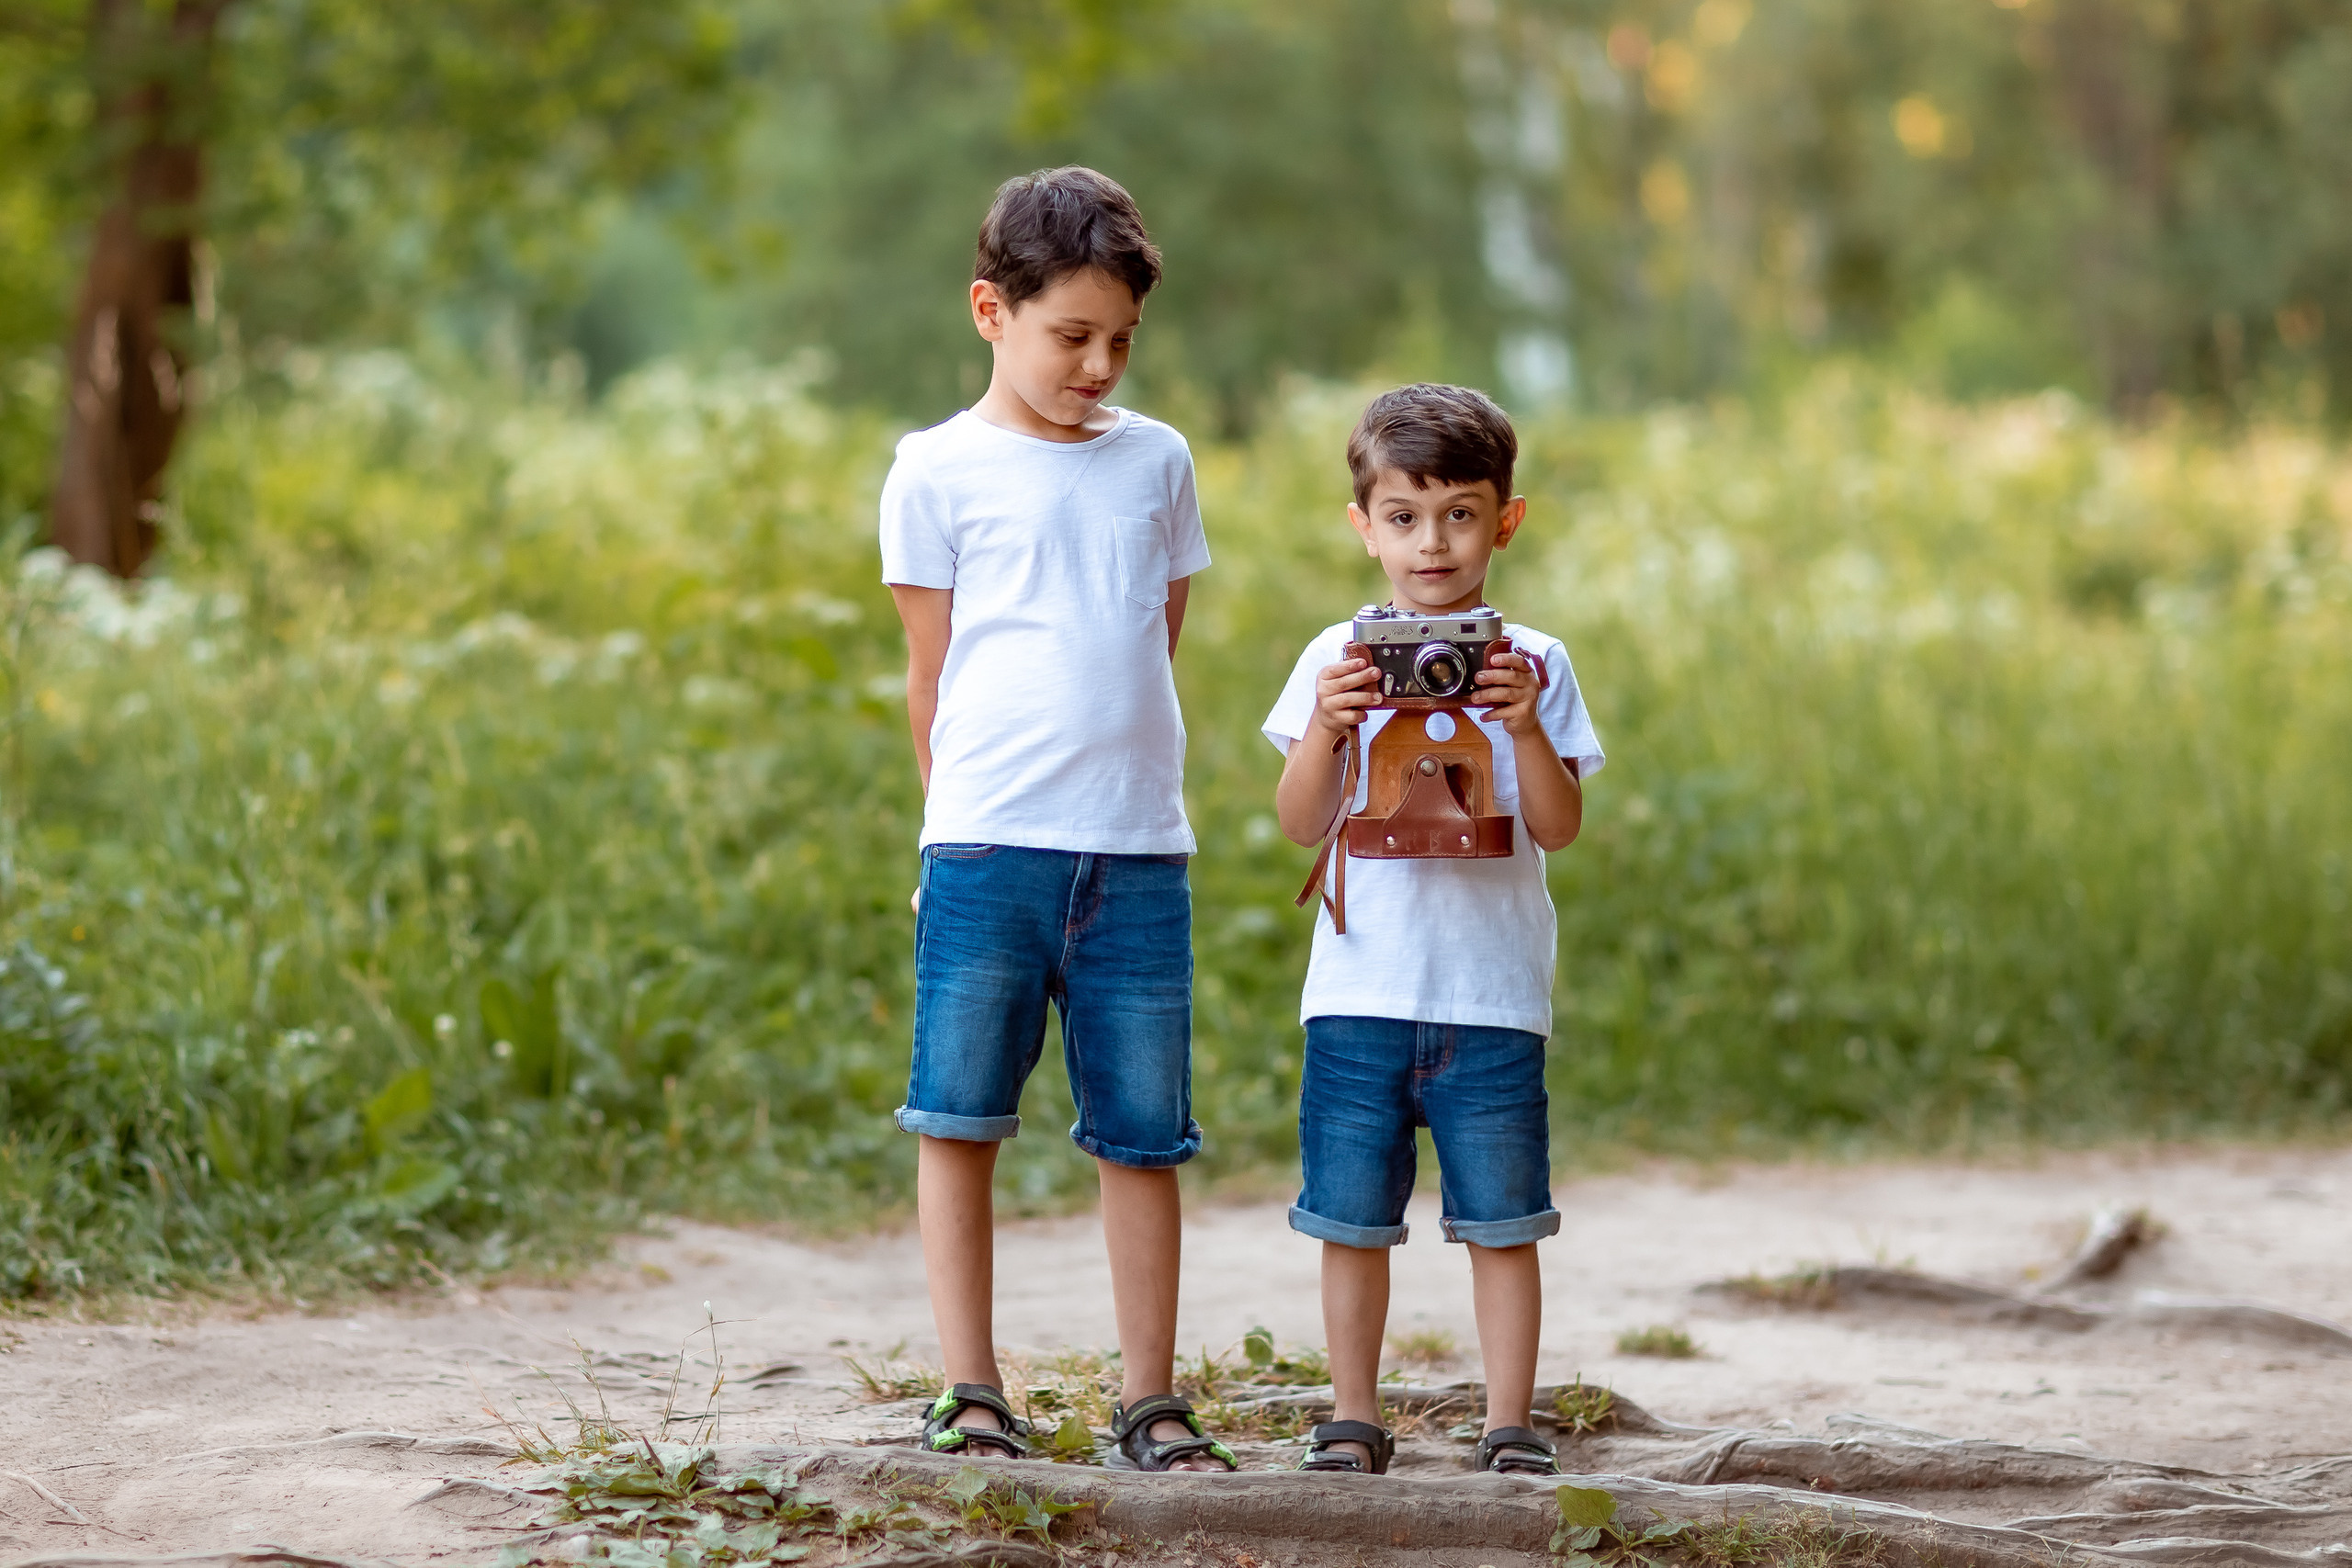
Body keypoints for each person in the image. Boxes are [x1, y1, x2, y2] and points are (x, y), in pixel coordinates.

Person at [878, 166, 1235, 1473]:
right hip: (986, 847)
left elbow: (1155, 640)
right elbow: (936, 672)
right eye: (1069, 335)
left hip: (1137, 850)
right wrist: (945, 838)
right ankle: (971, 1384)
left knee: (1144, 1131)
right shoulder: (935, 471)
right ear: (991, 310)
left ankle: (1153, 1396)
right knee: (958, 1115)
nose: (1099, 363)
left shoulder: (1158, 462)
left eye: (1121, 341)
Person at [1261, 383, 1605, 1477]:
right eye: (1403, 516)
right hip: (1361, 990)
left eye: (1460, 512)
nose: (1433, 542)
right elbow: (1297, 823)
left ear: (1505, 520)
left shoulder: (1535, 659)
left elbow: (1558, 826)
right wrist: (1328, 722)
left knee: (1504, 1222)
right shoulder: (1337, 654)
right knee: (1349, 1220)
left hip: (1489, 995)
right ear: (1362, 527)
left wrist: (1524, 726)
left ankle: (1509, 1424)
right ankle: (1352, 1417)